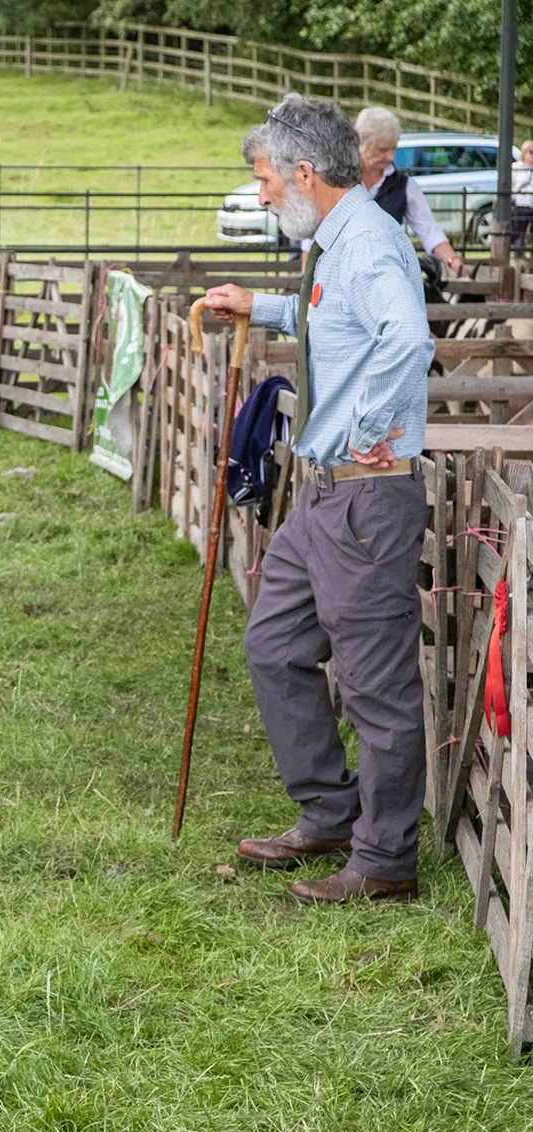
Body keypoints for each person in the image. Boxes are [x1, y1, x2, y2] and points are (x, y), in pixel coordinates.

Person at [201, 95, 436, 905]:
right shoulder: (338, 241)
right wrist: (258, 306)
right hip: (323, 493)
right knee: (273, 645)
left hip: (365, 493)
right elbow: (332, 321)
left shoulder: (367, 241)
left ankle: (384, 860)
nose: (262, 193)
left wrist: (371, 423)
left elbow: (408, 336)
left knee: (375, 685)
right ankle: (331, 812)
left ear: (305, 173)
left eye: (266, 179)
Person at [349, 107, 467, 275]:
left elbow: (428, 230)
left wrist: (453, 261)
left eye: (393, 149)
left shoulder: (404, 185)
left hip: (385, 272)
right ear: (362, 145)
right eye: (383, 150)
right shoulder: (341, 181)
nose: (390, 157)